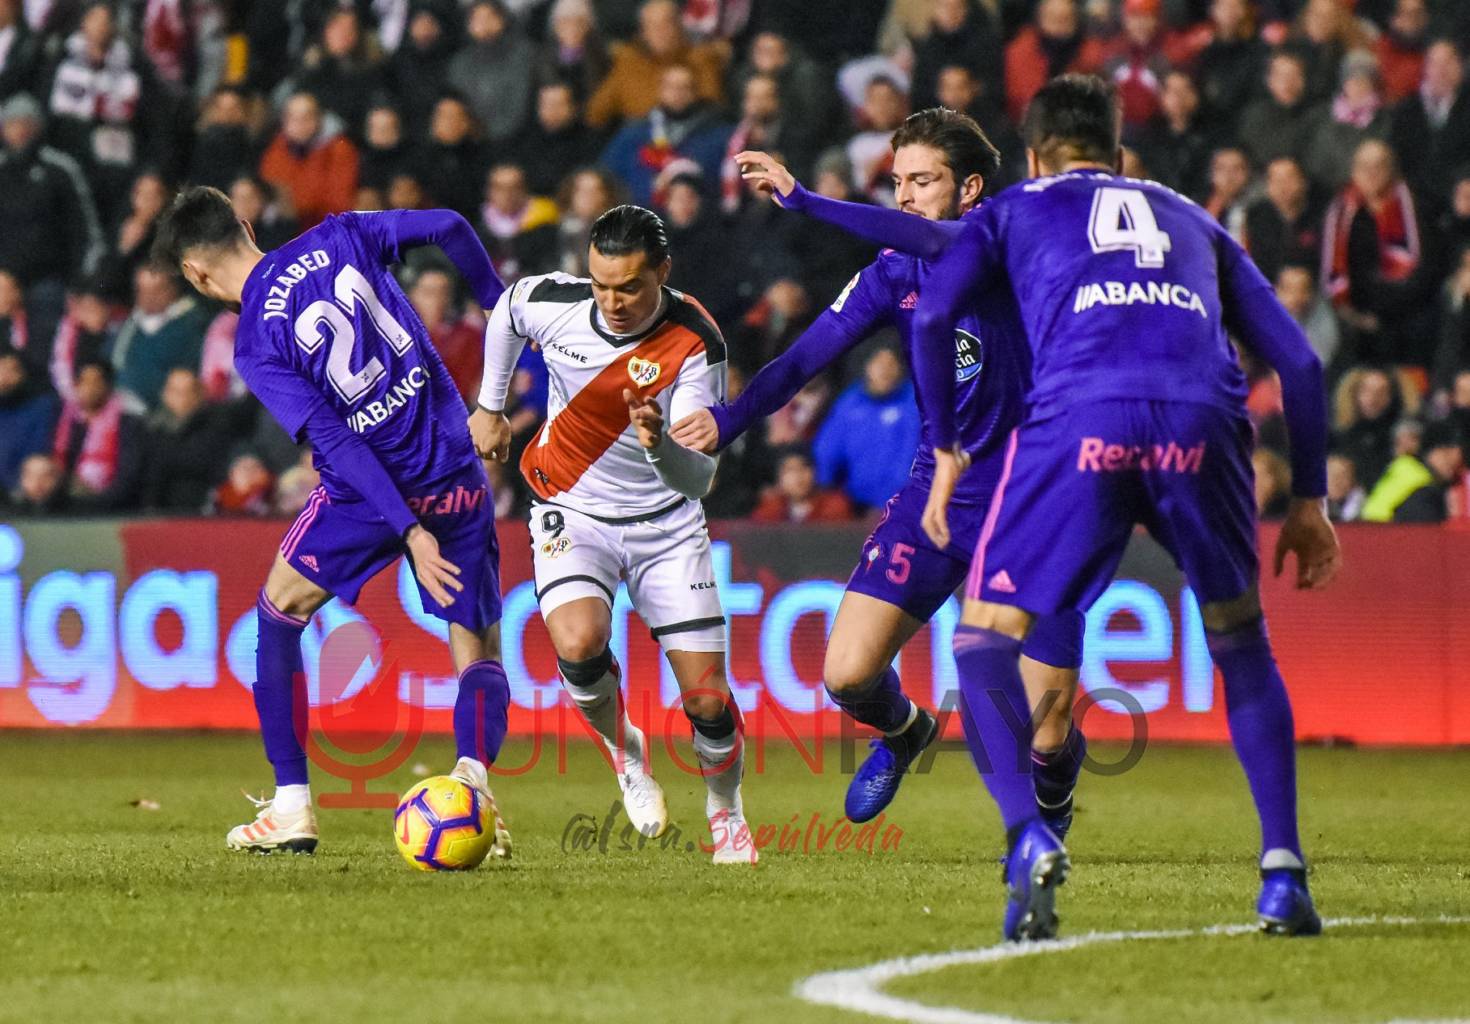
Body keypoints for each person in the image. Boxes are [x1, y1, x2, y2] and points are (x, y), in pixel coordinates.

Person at [910, 75, 1339, 941]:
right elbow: (1299, 364)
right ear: (1115, 153)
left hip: (1082, 421)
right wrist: (1310, 499)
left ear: (1032, 156)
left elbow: (933, 317)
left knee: (983, 638)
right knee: (1242, 646)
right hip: (1202, 422)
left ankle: (1029, 836)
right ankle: (1284, 875)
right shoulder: (1193, 216)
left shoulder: (1017, 206)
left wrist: (951, 448)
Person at [678, 120, 1086, 835]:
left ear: (969, 190)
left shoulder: (1002, 238)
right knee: (846, 675)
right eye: (896, 181)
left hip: (1037, 501)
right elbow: (805, 359)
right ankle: (904, 732)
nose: (904, 198)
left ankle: (1049, 808)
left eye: (921, 182)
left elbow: (941, 242)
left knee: (1048, 735)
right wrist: (730, 418)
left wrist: (804, 199)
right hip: (939, 495)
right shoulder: (895, 271)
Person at [152, 186, 512, 858]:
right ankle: (476, 792)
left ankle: (293, 808)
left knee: (279, 611)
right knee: (475, 641)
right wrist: (496, 303)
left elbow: (337, 441)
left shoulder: (256, 342)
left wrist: (404, 527)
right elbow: (450, 221)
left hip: (367, 496)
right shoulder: (340, 234)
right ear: (246, 223)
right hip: (452, 467)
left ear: (196, 275)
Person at [468, 205, 754, 865]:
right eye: (601, 285)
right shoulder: (556, 304)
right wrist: (491, 406)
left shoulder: (694, 342)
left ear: (663, 273)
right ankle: (628, 758)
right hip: (571, 506)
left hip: (667, 524)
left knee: (708, 701)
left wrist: (657, 445)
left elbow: (696, 479)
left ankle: (725, 809)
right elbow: (508, 308)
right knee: (578, 640)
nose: (614, 301)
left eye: (629, 286)